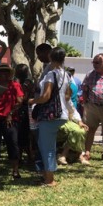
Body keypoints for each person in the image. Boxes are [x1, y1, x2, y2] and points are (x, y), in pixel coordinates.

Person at [28, 47, 71, 186]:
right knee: (49, 146)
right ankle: (47, 176)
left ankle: (49, 179)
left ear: (50, 57)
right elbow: (68, 95)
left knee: (46, 148)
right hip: (62, 114)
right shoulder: (66, 74)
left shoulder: (50, 74)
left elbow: (45, 96)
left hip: (49, 115)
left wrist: (33, 101)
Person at [0, 64, 24, 179]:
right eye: (1, 72)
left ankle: (15, 169)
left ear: (9, 73)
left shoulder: (15, 85)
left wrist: (10, 114)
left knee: (13, 143)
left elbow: (20, 101)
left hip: (10, 119)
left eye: (6, 71)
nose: (3, 73)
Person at [15, 64, 35, 164]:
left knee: (23, 135)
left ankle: (27, 157)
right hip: (26, 110)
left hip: (24, 110)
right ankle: (24, 156)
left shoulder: (25, 84)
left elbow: (24, 98)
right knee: (23, 135)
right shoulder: (29, 82)